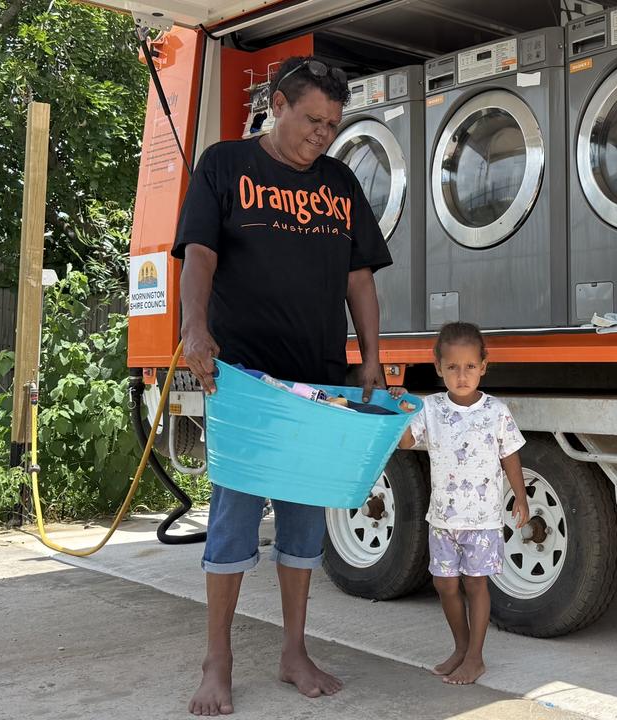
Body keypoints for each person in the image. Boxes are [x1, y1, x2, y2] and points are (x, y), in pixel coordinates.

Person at [173, 56, 392, 716]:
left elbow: (360, 278)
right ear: (277, 103)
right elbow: (199, 253)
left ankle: (294, 651)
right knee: (234, 520)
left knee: (303, 523)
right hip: (242, 378)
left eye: (333, 124)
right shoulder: (225, 166)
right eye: (312, 120)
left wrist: (373, 358)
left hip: (317, 382)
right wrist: (195, 328)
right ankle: (219, 658)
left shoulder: (341, 183)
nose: (322, 135)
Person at [390, 323, 529, 685]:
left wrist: (521, 497)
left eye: (469, 366)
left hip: (482, 520)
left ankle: (476, 657)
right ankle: (461, 647)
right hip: (442, 519)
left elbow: (510, 455)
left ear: (483, 365)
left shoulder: (495, 411)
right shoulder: (430, 408)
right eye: (452, 367)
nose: (461, 375)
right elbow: (406, 443)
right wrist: (399, 409)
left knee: (475, 585)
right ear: (438, 367)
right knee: (444, 585)